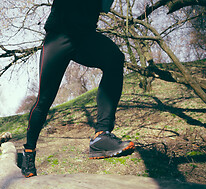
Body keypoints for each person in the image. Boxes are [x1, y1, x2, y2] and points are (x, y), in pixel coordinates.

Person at [21, 0, 135, 178]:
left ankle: (101, 135)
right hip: (58, 36)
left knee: (115, 59)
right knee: (44, 100)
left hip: (85, 38)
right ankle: (28, 153)